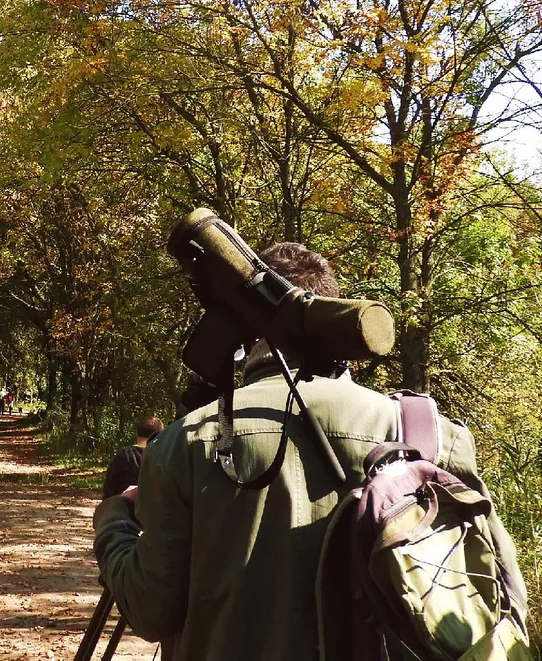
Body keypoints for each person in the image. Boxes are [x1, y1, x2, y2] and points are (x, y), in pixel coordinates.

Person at [92, 242, 529, 661]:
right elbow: (503, 594)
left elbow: (149, 609)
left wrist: (114, 518)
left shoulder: (185, 441)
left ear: (243, 328)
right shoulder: (426, 433)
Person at [102, 415, 163, 498]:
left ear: (137, 433)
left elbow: (109, 489)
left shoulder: (122, 455)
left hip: (124, 505)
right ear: (159, 436)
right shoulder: (162, 458)